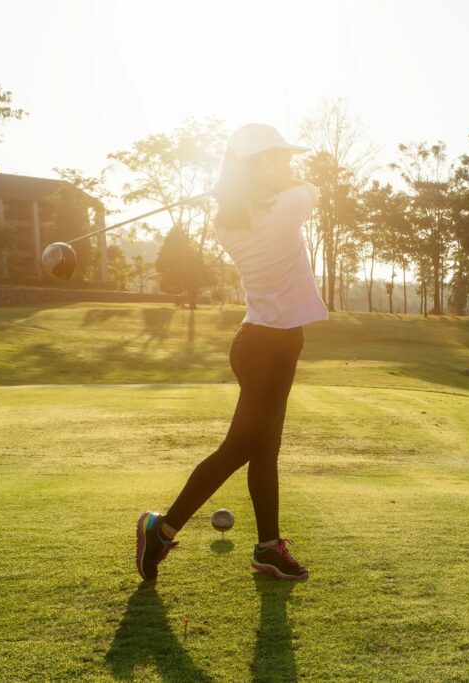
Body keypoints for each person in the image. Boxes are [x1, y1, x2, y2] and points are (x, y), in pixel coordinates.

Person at [135, 123, 328, 582]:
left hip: (270, 343)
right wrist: (269, 187)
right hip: (266, 348)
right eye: (278, 157)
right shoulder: (286, 206)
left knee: (266, 448)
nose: (288, 165)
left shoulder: (228, 219)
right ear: (256, 165)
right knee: (242, 446)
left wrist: (251, 188)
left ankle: (267, 547)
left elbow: (272, 197)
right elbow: (311, 190)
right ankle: (161, 529)